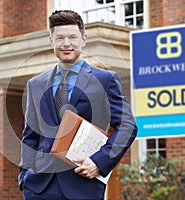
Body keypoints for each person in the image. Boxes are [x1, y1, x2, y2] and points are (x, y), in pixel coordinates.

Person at [18, 10, 137, 200]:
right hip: (38, 188)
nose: (66, 43)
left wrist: (99, 162)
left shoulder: (105, 80)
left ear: (83, 39)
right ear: (51, 41)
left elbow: (127, 126)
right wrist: (24, 176)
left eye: (73, 37)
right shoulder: (35, 84)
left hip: (82, 185)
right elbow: (30, 136)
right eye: (60, 38)